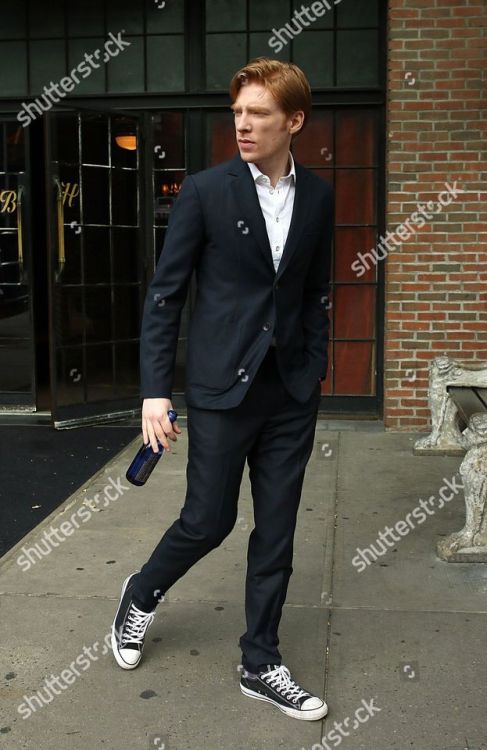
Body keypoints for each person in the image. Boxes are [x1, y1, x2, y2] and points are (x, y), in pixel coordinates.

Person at [111, 57, 334, 722]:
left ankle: (260, 660)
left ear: (292, 121)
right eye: (237, 112)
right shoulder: (206, 193)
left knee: (277, 530)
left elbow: (314, 289)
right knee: (209, 520)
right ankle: (141, 593)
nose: (242, 124)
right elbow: (166, 295)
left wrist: (314, 361)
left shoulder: (318, 196)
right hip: (218, 389)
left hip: (289, 391)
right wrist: (155, 391)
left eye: (258, 113)